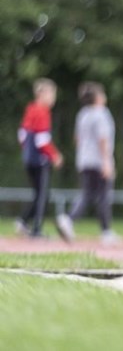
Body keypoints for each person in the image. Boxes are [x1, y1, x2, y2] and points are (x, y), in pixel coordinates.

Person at [55, 82, 121, 245]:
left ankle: (68, 220)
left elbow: (77, 139)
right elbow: (103, 139)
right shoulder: (102, 113)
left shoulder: (83, 114)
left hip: (84, 159)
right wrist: (106, 161)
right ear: (98, 97)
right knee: (103, 195)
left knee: (87, 193)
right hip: (99, 160)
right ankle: (105, 231)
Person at [15, 78, 64, 239]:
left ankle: (23, 221)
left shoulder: (30, 109)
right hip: (40, 160)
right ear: (42, 94)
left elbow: (22, 135)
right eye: (52, 94)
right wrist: (54, 155)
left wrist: (27, 151)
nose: (53, 98)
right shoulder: (42, 111)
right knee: (42, 194)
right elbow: (42, 140)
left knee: (38, 193)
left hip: (29, 159)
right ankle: (36, 229)